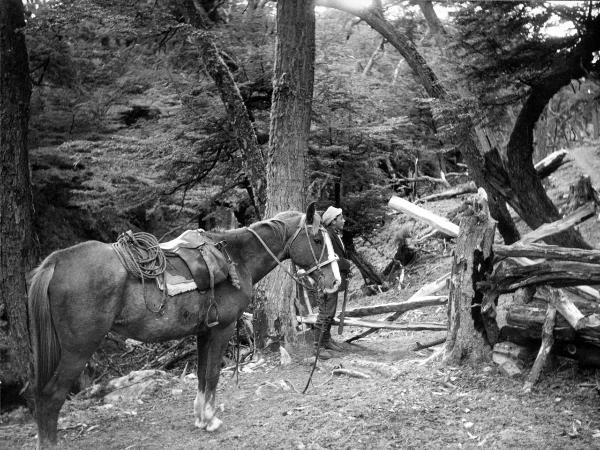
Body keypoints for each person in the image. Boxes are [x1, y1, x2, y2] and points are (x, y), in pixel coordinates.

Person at [314, 206, 352, 359]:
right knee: (325, 312)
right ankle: (318, 347)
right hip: (328, 279)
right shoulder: (328, 235)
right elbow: (332, 258)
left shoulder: (332, 234)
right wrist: (347, 264)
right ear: (333, 221)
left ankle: (326, 340)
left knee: (330, 312)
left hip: (332, 278)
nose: (343, 220)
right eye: (341, 218)